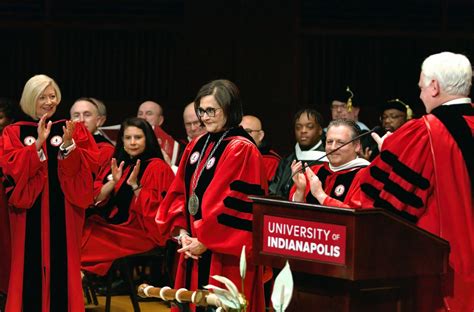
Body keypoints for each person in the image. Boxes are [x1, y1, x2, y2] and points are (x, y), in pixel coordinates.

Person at [360, 52, 474, 310]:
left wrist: (393, 150)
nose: (420, 94)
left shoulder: (422, 134)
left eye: (422, 86)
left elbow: (383, 209)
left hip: (443, 276)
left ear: (434, 87)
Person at [156, 79, 267, 312]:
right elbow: (180, 191)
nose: (204, 117)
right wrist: (183, 232)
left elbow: (236, 204)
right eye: (201, 111)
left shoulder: (242, 148)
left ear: (229, 109)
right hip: (192, 247)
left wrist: (205, 241)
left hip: (223, 255)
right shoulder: (196, 145)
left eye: (211, 111)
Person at [1, 74, 99, 311]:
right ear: (30, 99)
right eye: (42, 97)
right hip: (27, 217)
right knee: (27, 270)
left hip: (64, 214)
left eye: (52, 96)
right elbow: (9, 168)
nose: (48, 102)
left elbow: (89, 167)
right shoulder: (14, 132)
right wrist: (35, 146)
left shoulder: (71, 129)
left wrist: (68, 146)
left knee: (63, 270)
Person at [81, 117, 175, 276]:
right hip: (117, 226)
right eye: (128, 137)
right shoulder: (120, 165)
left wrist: (134, 185)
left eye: (138, 137)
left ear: (148, 139)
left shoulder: (157, 168)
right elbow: (95, 198)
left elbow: (158, 213)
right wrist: (113, 182)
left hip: (141, 231)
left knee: (88, 240)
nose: (132, 142)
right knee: (80, 230)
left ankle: (73, 284)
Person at [290, 119, 370, 207]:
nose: (333, 147)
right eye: (329, 142)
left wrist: (321, 195)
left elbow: (357, 216)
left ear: (357, 146)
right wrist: (300, 191)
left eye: (340, 142)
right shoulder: (313, 171)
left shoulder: (366, 176)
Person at [269, 108, 326, 198]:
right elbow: (274, 189)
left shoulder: (327, 160)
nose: (303, 131)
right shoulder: (288, 159)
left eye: (310, 127)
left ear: (319, 130)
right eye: (298, 127)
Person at [70, 97, 115, 200]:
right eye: (76, 115)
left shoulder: (106, 150)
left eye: (87, 115)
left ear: (98, 121)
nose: (81, 120)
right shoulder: (65, 145)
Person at [240, 114, 281, 183]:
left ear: (260, 136)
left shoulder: (271, 161)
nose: (241, 136)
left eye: (247, 132)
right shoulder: (231, 155)